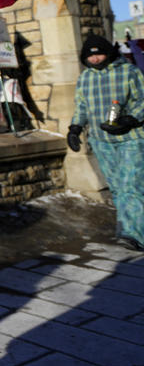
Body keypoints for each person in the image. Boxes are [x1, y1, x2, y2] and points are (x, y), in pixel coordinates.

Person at [67, 34, 144, 251]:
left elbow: (143, 100)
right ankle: (127, 230)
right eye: (90, 57)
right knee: (118, 188)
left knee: (132, 186)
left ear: (108, 53)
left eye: (99, 54)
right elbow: (81, 106)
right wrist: (75, 128)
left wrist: (131, 119)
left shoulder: (128, 71)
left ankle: (136, 234)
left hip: (131, 139)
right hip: (101, 141)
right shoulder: (85, 78)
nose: (95, 60)